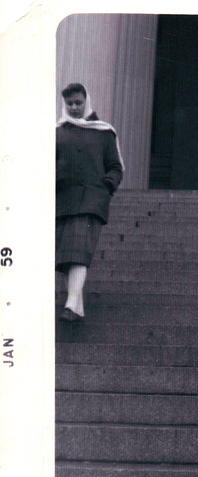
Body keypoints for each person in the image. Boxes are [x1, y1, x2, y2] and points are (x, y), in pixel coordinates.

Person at [56, 83, 124, 322]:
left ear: (87, 101)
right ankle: (77, 308)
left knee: (78, 250)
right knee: (66, 255)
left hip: (90, 200)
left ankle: (71, 304)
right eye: (70, 104)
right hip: (62, 201)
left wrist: (106, 187)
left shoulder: (104, 132)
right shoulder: (57, 132)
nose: (74, 108)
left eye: (78, 102)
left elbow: (115, 167)